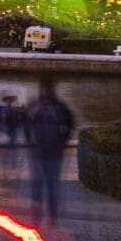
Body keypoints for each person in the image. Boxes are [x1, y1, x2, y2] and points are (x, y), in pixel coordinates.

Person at [27, 77, 75, 226]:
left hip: (39, 150)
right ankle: (52, 217)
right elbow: (70, 125)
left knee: (37, 183)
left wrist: (31, 142)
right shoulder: (60, 107)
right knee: (52, 183)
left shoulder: (35, 106)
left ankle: (37, 216)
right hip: (55, 151)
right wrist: (62, 142)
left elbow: (27, 127)